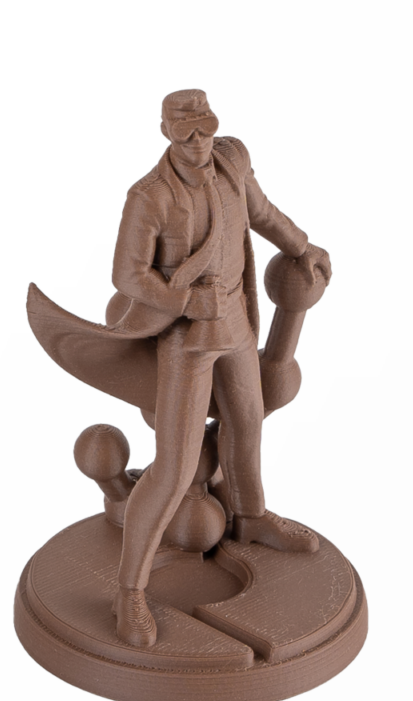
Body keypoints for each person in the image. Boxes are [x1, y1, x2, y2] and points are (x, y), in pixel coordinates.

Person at [110, 89, 333, 647]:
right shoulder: (149, 196)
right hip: (186, 336)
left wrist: (302, 246)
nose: (197, 141)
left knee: (248, 421)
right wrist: (185, 302)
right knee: (175, 466)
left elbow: (261, 212)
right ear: (166, 132)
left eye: (204, 128)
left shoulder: (232, 159)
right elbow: (128, 276)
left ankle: (250, 517)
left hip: (234, 319)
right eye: (185, 132)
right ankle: (130, 592)